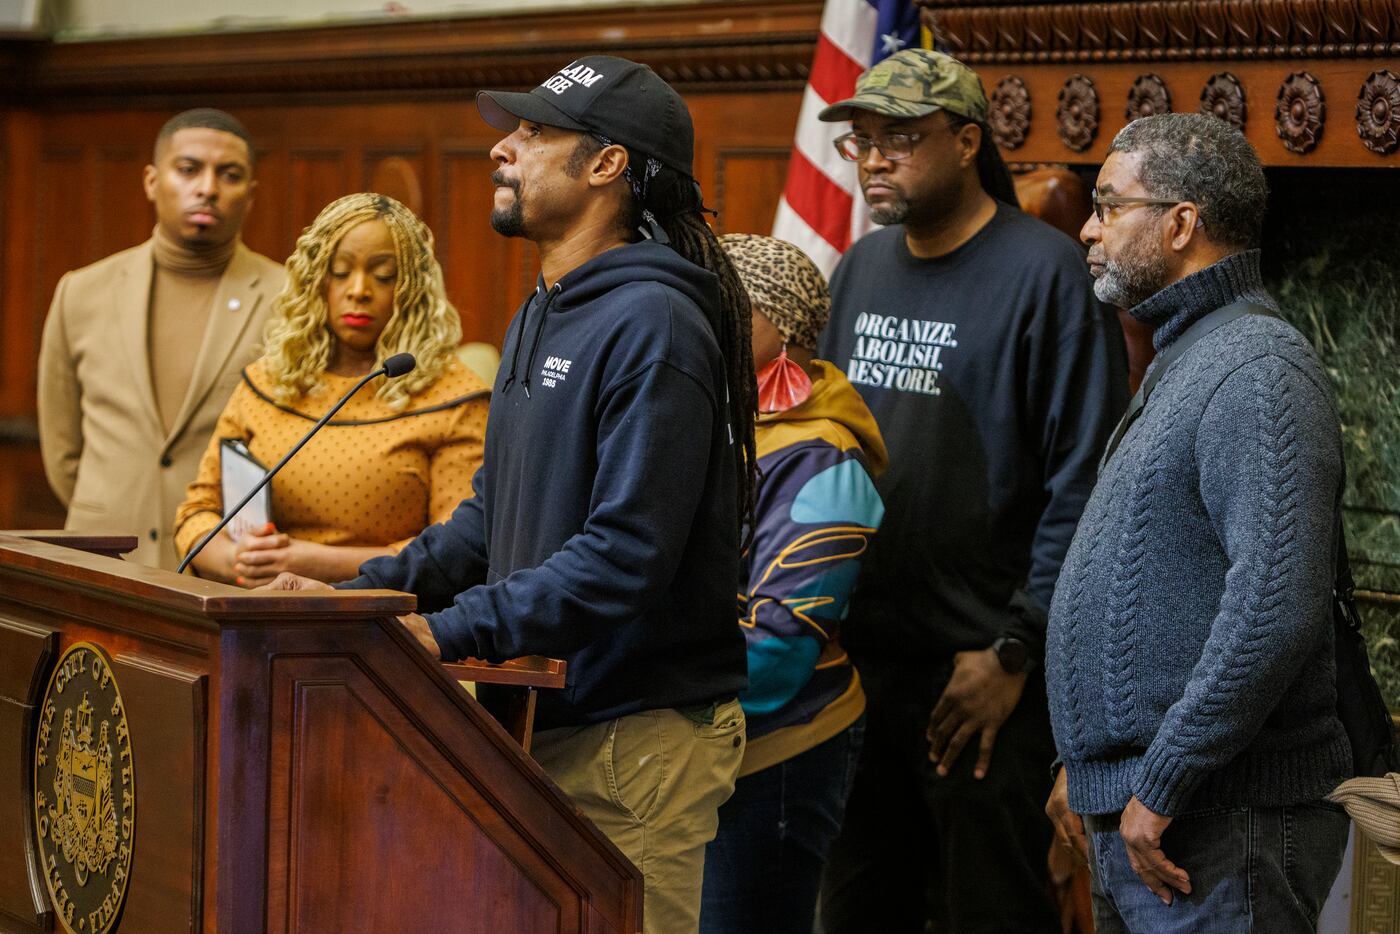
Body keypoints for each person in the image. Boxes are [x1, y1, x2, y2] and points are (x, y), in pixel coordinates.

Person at [264, 56, 757, 934]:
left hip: (633, 740)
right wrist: (360, 602)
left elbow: (625, 556)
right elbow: (489, 520)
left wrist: (447, 631)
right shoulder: (546, 307)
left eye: (533, 133)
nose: (502, 148)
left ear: (606, 164)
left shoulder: (654, 323)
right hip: (538, 719)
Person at [812, 49, 1129, 932]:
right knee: (856, 912)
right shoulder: (861, 267)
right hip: (857, 667)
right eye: (862, 141)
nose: (876, 159)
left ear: (965, 142)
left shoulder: (1048, 274)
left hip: (983, 681)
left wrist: (1015, 650)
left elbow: (1086, 482)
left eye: (901, 139)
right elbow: (826, 446)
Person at [1044, 112, 1353, 933]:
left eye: (1109, 205)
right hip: (1158, 813)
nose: (1089, 229)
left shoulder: (1258, 369)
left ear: (1182, 223)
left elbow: (1276, 607)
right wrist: (1086, 766)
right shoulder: (1192, 351)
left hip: (1217, 825)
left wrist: (1163, 782)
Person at [700, 234, 886, 934]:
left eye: (727, 307)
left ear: (781, 327)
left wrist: (654, 689)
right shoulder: (725, 419)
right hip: (703, 740)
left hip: (778, 750)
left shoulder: (823, 458)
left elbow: (779, 650)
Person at [173, 193, 489, 586]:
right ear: (314, 280)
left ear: (412, 288)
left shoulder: (454, 399)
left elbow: (456, 554)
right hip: (256, 609)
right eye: (340, 272)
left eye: (383, 276)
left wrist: (311, 563)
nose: (358, 290)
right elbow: (197, 511)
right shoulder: (269, 381)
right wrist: (236, 559)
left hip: (378, 615)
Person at [37, 108, 284, 570]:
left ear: (250, 196)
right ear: (152, 181)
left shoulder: (289, 300)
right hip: (102, 559)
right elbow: (62, 447)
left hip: (221, 565)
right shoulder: (81, 292)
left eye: (229, 175)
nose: (207, 188)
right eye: (188, 169)